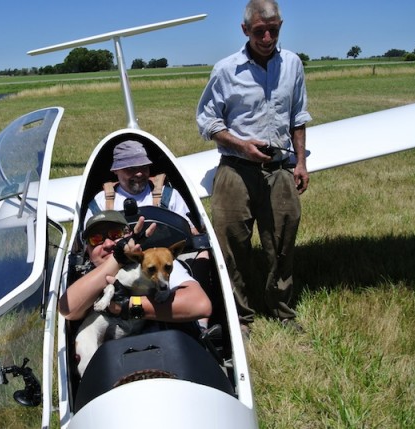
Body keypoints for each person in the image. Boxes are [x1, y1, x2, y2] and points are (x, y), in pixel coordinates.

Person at [196, 0, 311, 337]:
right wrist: (242, 145)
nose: (266, 36)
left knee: (283, 241)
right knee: (232, 243)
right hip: (236, 167)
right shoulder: (225, 70)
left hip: (279, 167)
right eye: (259, 30)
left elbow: (298, 117)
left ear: (280, 26)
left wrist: (301, 162)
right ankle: (241, 316)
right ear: (245, 30)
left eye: (272, 29)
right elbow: (208, 122)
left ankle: (282, 310)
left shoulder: (292, 65)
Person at [59, 210, 211, 326]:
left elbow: (200, 305)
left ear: (129, 235)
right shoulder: (85, 277)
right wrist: (117, 259)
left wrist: (126, 305)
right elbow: (67, 309)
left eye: (115, 234)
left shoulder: (154, 261)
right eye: (96, 239)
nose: (108, 244)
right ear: (87, 249)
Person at [84, 140, 192, 227]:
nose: (139, 173)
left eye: (144, 167)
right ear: (115, 171)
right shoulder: (100, 204)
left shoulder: (169, 196)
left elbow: (190, 231)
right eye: (131, 168)